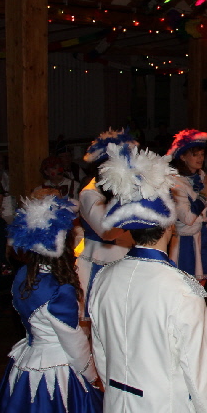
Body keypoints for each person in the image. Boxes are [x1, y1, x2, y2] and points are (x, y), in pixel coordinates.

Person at [89, 146, 207, 413]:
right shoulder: (182, 289)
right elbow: (198, 364)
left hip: (117, 411)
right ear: (169, 227)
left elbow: (101, 352)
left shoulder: (103, 279)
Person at [0, 195, 103, 413]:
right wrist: (90, 374)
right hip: (56, 370)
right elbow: (73, 341)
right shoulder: (59, 289)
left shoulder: (24, 275)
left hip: (30, 359)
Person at [75, 129, 138, 321]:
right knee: (102, 321)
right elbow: (107, 231)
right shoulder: (89, 194)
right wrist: (138, 213)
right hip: (99, 264)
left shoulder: (122, 190)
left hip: (126, 261)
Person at [167, 129, 207, 284]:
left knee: (201, 284)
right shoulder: (176, 182)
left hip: (203, 235)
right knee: (186, 288)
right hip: (185, 241)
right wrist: (203, 194)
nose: (200, 158)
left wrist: (206, 218)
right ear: (183, 157)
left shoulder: (201, 175)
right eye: (195, 155)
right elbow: (187, 218)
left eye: (202, 154)